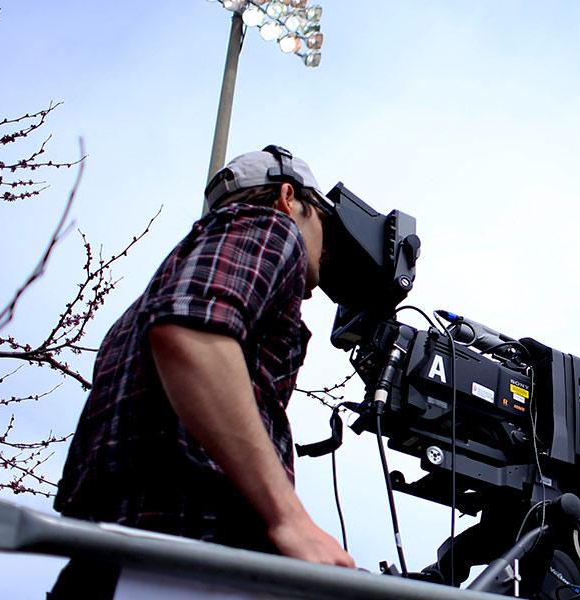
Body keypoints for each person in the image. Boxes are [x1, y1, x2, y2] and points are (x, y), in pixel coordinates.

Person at [49, 146, 355, 597]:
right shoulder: (271, 226)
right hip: (191, 562)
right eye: (322, 222)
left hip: (104, 564)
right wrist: (289, 519)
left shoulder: (133, 317)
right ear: (288, 197)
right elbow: (191, 334)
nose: (324, 248)